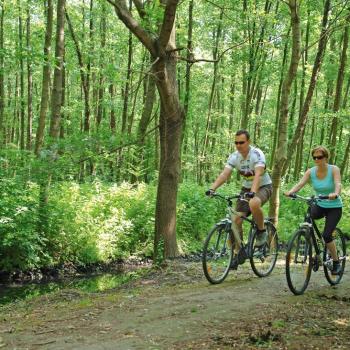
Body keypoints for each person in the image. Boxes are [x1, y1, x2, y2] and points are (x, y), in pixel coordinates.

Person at [206, 129, 272, 268]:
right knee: (235, 221)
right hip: (246, 189)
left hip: (263, 186)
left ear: (248, 142)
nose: (238, 145)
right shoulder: (234, 157)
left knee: (254, 203)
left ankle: (261, 232)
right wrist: (212, 188)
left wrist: (253, 192)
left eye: (241, 142)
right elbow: (225, 175)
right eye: (236, 142)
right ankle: (238, 252)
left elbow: (258, 174)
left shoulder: (257, 154)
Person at [285, 146, 343, 275]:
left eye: (320, 157)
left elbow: (338, 183)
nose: (317, 159)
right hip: (320, 204)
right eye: (314, 157)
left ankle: (336, 261)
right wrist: (291, 192)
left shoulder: (334, 169)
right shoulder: (310, 171)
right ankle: (314, 247)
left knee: (327, 235)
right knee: (308, 217)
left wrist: (335, 193)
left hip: (334, 207)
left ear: (326, 157)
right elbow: (300, 184)